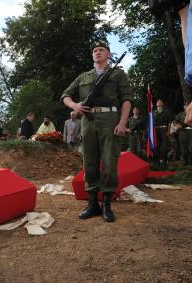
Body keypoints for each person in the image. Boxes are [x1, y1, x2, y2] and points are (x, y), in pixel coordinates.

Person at [61, 40, 133, 222]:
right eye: (95, 50)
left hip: (110, 119)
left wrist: (123, 122)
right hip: (88, 120)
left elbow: (126, 99)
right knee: (89, 161)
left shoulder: (118, 74)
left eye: (101, 50)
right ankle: (93, 203)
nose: (97, 52)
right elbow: (65, 95)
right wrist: (75, 105)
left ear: (108, 54)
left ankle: (107, 203)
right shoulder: (84, 76)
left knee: (109, 160)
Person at [153, 99, 171, 166]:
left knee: (164, 146)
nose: (159, 102)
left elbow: (169, 122)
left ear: (162, 104)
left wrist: (168, 131)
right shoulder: (153, 112)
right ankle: (157, 161)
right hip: (156, 130)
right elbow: (151, 123)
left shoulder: (166, 112)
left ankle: (164, 161)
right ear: (156, 104)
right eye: (158, 102)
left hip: (164, 129)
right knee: (157, 145)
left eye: (161, 101)